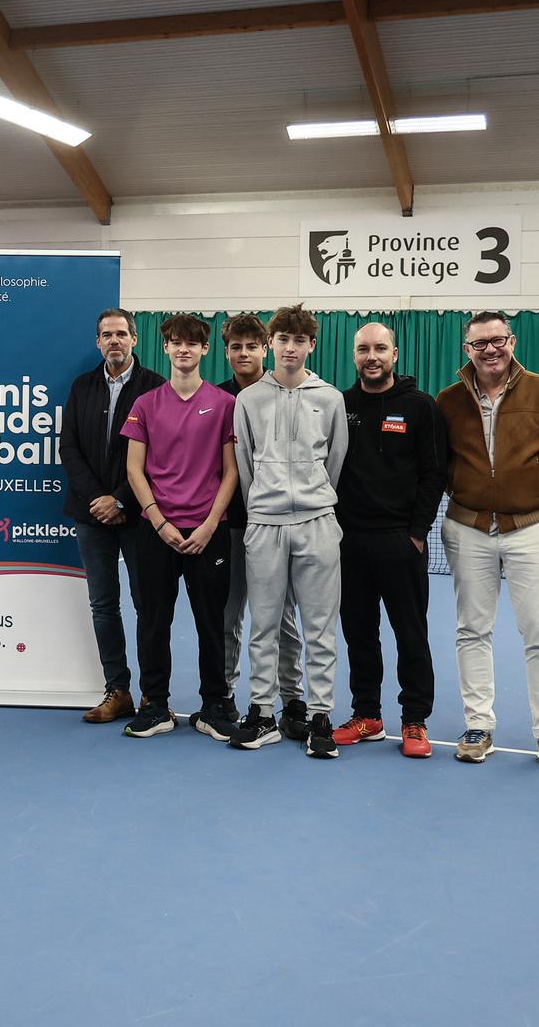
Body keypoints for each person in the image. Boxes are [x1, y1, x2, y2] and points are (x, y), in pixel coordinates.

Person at [435, 312, 539, 771]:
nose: (490, 350)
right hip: (467, 529)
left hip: (533, 531)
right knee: (471, 630)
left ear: (512, 341)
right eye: (479, 344)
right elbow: (439, 464)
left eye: (497, 340)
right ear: (467, 350)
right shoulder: (448, 400)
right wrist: (469, 499)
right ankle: (478, 726)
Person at [227, 305, 348, 758]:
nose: (291, 348)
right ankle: (261, 712)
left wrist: (315, 502)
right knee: (264, 625)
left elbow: (335, 461)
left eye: (300, 341)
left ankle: (320, 717)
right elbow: (243, 467)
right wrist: (264, 508)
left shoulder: (331, 398)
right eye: (284, 340)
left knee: (319, 628)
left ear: (310, 345)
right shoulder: (248, 400)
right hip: (264, 527)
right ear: (270, 344)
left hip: (318, 524)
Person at [119, 314, 238, 740]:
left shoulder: (226, 405)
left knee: (213, 622)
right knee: (153, 619)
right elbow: (135, 469)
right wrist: (157, 520)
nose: (183, 349)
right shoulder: (145, 405)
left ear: (205, 349)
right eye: (175, 342)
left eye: (192, 343)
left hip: (210, 532)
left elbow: (231, 472)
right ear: (165, 348)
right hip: (156, 532)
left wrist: (208, 526)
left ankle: (213, 705)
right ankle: (155, 704)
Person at [332, 323, 447, 757]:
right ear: (355, 355)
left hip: (401, 544)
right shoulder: (340, 405)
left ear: (395, 354)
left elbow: (434, 473)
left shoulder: (421, 407)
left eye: (380, 348)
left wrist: (416, 535)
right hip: (349, 544)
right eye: (363, 349)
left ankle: (415, 720)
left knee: (411, 635)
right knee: (359, 634)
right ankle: (368, 715)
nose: (372, 356)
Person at [59, 308, 166, 724]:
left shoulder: (154, 387)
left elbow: (159, 456)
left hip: (140, 516)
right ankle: (117, 689)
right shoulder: (82, 386)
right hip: (90, 516)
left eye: (122, 333)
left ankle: (153, 695)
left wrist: (121, 499)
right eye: (107, 335)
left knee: (147, 604)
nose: (115, 341)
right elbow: (69, 447)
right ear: (98, 342)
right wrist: (99, 499)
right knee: (103, 605)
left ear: (135, 339)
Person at [217, 313, 308, 739]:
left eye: (251, 346)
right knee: (230, 616)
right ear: (226, 351)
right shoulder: (218, 399)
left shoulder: (287, 395)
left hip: (280, 527)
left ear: (265, 348)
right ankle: (226, 695)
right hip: (231, 529)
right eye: (236, 346)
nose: (243, 353)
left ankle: (292, 699)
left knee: (282, 618)